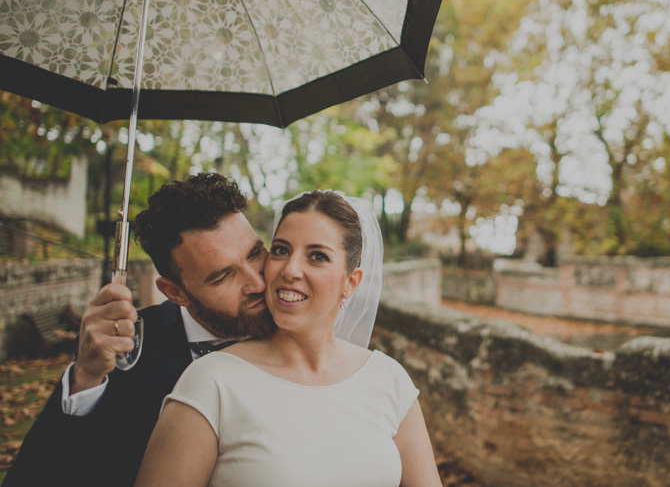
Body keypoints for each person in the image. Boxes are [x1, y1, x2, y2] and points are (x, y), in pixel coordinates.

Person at [135, 190, 442, 487]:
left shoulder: (389, 379)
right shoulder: (211, 381)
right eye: (281, 250)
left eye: (317, 256)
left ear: (351, 282)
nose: (291, 270)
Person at [3, 173, 273, 487]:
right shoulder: (121, 350)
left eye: (255, 254)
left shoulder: (299, 327)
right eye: (222, 277)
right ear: (175, 293)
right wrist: (86, 377)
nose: (257, 283)